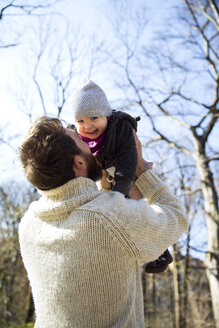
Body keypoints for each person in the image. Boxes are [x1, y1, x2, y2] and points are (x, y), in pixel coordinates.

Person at [18, 116, 188, 328]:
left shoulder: (28, 225)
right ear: (78, 162)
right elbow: (176, 217)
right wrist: (140, 166)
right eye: (82, 142)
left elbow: (82, 217)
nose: (88, 142)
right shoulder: (108, 217)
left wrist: (107, 184)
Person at [70, 79, 173, 274]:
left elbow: (129, 156)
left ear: (106, 116)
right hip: (105, 175)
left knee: (137, 207)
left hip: (129, 172)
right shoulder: (78, 135)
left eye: (94, 118)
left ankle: (160, 251)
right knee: (110, 210)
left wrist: (122, 187)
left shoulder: (120, 127)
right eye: (81, 121)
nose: (88, 126)